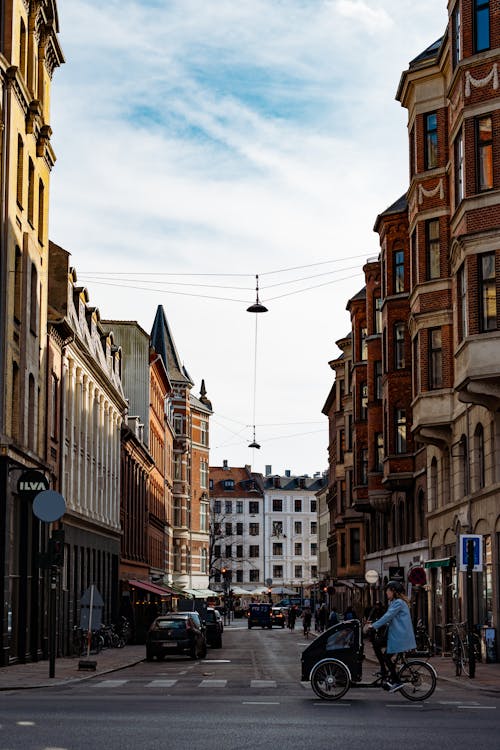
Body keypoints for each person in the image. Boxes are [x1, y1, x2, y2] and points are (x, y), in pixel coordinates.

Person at [367, 580, 417, 693]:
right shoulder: (395, 602)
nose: (386, 593)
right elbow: (387, 617)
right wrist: (374, 623)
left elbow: (387, 617)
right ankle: (384, 670)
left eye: (387, 591)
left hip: (399, 637)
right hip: (396, 635)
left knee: (386, 657)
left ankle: (396, 681)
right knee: (376, 644)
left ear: (393, 591)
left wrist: (373, 626)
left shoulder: (399, 603)